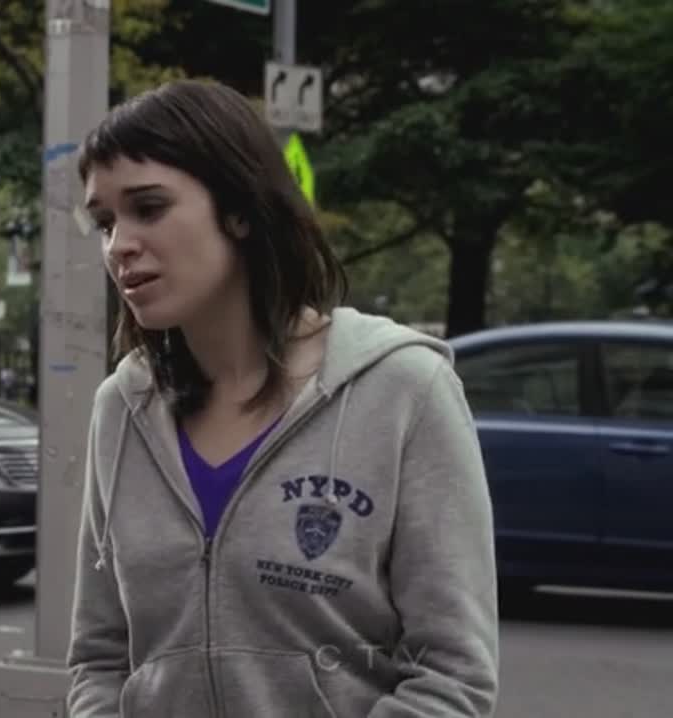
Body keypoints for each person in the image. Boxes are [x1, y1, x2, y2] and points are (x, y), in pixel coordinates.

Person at [67, 79, 498, 717]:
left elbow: (452, 676)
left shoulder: (404, 389)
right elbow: (99, 658)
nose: (118, 245)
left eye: (149, 208)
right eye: (104, 222)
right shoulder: (122, 407)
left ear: (239, 210)